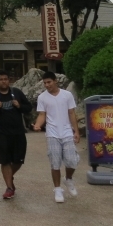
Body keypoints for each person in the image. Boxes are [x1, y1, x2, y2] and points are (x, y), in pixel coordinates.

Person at [0, 71, 33, 199]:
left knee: (19, 160)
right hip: (1, 133)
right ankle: (9, 188)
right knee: (5, 160)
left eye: (5, 79)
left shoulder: (17, 93)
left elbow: (29, 108)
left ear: (9, 80)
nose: (3, 81)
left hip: (18, 132)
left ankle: (9, 176)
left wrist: (19, 106)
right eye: (0, 79)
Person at [33, 71, 81, 203]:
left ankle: (68, 179)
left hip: (66, 132)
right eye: (45, 83)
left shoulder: (67, 95)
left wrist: (76, 131)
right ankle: (57, 189)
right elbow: (42, 114)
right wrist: (38, 125)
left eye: (49, 82)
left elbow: (71, 113)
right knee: (55, 162)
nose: (47, 85)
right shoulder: (42, 97)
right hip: (52, 133)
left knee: (72, 160)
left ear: (55, 81)